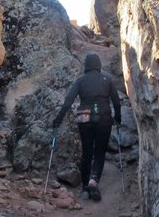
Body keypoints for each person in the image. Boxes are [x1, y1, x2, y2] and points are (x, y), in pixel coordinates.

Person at [52, 52, 121, 201]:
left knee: (87, 151)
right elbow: (116, 102)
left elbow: (68, 101)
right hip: (104, 117)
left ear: (86, 65)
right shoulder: (107, 80)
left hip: (85, 117)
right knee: (100, 152)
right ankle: (93, 181)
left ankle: (84, 187)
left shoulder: (80, 81)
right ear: (98, 65)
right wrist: (118, 118)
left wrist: (58, 119)